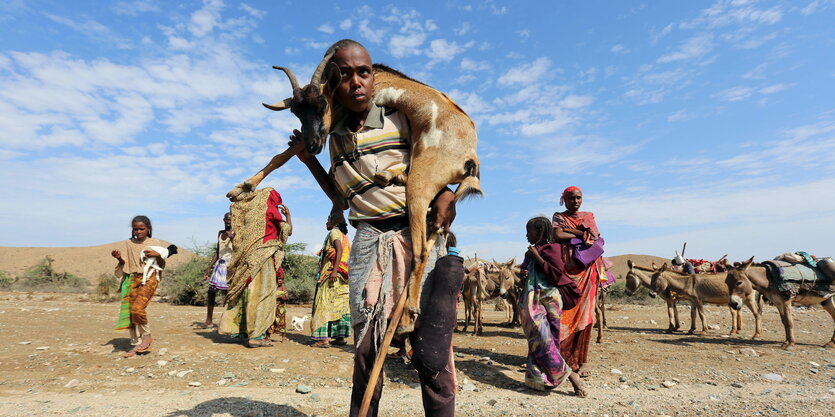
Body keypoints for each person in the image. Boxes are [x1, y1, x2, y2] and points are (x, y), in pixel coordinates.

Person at [291, 39, 458, 417]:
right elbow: (341, 197)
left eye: (363, 72)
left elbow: (429, 166)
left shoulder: (400, 118)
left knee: (432, 355)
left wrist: (446, 194)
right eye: (345, 75)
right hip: (367, 239)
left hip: (416, 235)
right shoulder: (333, 137)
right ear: (333, 85)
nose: (356, 82)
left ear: (374, 75)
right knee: (367, 352)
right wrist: (308, 160)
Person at [520, 217, 587, 396]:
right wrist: (525, 270)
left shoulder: (553, 249)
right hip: (534, 299)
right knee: (538, 338)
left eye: (529, 231)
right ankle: (538, 380)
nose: (526, 235)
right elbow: (525, 271)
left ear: (540, 231)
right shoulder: (531, 252)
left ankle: (570, 375)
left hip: (550, 300)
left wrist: (537, 258)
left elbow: (557, 275)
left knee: (548, 340)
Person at [218, 188, 292, 347]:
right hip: (263, 258)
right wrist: (288, 216)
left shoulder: (251, 212)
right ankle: (256, 336)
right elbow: (287, 231)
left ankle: (241, 331)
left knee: (246, 291)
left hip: (247, 259)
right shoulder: (271, 210)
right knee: (261, 295)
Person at [552, 186, 606, 378]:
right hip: (567, 270)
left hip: (587, 271)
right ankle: (559, 358)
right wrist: (579, 233)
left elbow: (593, 236)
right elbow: (557, 235)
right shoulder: (558, 216)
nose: (576, 201)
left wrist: (571, 231)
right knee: (564, 313)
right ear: (564, 200)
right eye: (572, 198)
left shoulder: (589, 215)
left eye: (579, 198)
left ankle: (582, 361)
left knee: (586, 316)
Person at [112, 215, 177, 357]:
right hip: (132, 278)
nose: (138, 232)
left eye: (141, 229)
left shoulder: (154, 242)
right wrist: (119, 258)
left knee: (138, 308)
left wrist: (157, 255)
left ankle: (146, 336)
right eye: (135, 229)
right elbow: (127, 264)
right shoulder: (129, 243)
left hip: (150, 277)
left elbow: (161, 264)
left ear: (148, 229)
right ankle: (136, 344)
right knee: (130, 311)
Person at [310, 213, 352, 347]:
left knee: (324, 303)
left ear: (335, 221)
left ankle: (323, 339)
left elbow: (338, 250)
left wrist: (333, 270)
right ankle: (339, 337)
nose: (326, 222)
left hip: (332, 274)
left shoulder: (334, 232)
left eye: (328, 219)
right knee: (340, 304)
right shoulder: (344, 236)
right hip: (343, 275)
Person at [199, 212, 234, 329]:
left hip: (230, 265)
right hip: (220, 264)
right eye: (226, 219)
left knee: (229, 293)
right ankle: (209, 320)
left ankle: (231, 322)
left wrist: (233, 238)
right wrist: (209, 266)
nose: (227, 222)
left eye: (230, 220)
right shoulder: (220, 233)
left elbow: (239, 249)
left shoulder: (235, 233)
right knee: (211, 291)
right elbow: (218, 251)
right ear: (223, 220)